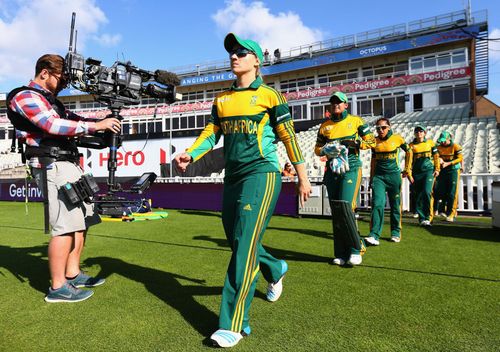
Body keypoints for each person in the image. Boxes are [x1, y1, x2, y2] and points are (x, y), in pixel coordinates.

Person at [174, 33, 311, 348]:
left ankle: (233, 324)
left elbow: (289, 137)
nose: (234, 56)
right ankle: (275, 268)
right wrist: (191, 153)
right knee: (238, 242)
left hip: (262, 174)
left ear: (256, 61)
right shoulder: (221, 99)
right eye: (231, 52)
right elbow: (211, 133)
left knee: (245, 246)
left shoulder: (270, 96)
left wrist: (302, 177)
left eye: (241, 52)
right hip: (233, 176)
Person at [6, 54, 120, 303]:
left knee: (81, 221)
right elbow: (50, 125)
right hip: (51, 163)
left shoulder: (51, 101)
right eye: (61, 78)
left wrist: (102, 124)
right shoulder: (24, 95)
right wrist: (96, 127)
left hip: (67, 162)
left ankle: (73, 272)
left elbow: (75, 120)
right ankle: (58, 287)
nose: (64, 84)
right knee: (65, 225)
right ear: (44, 72)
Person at [314, 91, 376, 266]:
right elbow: (317, 148)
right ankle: (340, 253)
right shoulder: (324, 126)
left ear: (346, 105)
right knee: (336, 210)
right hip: (332, 169)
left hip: (351, 167)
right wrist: (326, 150)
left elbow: (372, 142)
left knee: (346, 206)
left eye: (339, 102)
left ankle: (356, 248)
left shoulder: (356, 121)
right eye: (333, 102)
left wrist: (355, 144)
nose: (336, 105)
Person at [365, 118, 412, 246]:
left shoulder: (397, 139)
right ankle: (374, 234)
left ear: (389, 127)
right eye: (378, 128)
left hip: (394, 177)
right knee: (377, 204)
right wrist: (371, 178)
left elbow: (409, 151)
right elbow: (373, 161)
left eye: (383, 127)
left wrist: (407, 168)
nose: (380, 130)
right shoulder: (374, 142)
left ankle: (396, 232)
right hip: (379, 177)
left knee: (395, 205)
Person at [408, 124, 440, 226]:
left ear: (425, 133)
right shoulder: (411, 145)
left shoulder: (430, 143)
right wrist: (409, 173)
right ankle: (422, 219)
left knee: (426, 192)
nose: (419, 133)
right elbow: (408, 161)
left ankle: (427, 217)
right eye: (417, 132)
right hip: (416, 173)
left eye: (421, 131)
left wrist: (437, 169)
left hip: (428, 171)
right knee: (418, 195)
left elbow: (436, 156)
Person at [434, 131, 463, 222]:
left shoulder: (455, 146)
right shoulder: (438, 147)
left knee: (452, 192)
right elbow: (435, 156)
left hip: (453, 170)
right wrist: (439, 159)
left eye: (444, 141)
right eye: (441, 141)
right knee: (441, 191)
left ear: (448, 138)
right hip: (443, 171)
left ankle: (452, 213)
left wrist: (449, 163)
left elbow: (460, 158)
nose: (442, 142)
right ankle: (443, 210)